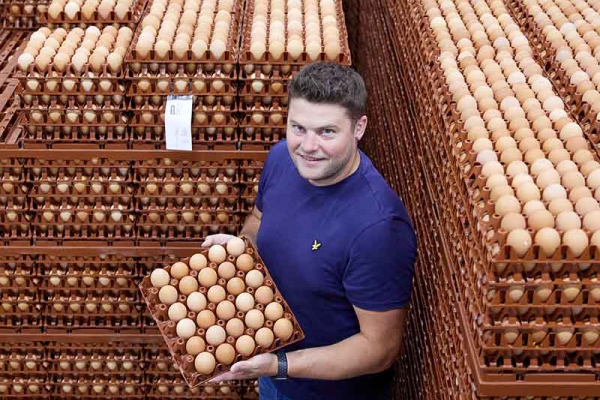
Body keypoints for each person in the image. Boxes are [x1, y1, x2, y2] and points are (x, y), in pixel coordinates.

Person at [203, 62, 417, 400]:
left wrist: (281, 365)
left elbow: (379, 349)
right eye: (298, 127)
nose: (308, 146)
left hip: (326, 392)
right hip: (271, 369)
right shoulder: (282, 160)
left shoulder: (378, 228)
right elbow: (259, 221)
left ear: (359, 127)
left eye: (327, 132)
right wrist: (240, 252)